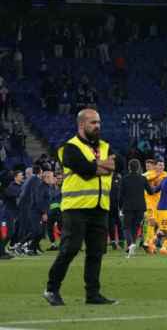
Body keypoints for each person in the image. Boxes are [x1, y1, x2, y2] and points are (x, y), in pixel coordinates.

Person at [44, 108, 117, 306]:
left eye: (99, 122)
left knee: (96, 251)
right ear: (81, 125)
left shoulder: (105, 146)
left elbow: (114, 166)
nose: (97, 126)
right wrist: (100, 166)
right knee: (70, 249)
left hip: (100, 206)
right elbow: (84, 170)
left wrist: (95, 165)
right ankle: (52, 289)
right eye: (93, 122)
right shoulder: (69, 147)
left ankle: (92, 294)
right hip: (76, 207)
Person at [120, 158, 147, 257]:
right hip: (140, 207)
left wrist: (120, 207)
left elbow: (121, 195)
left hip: (128, 207)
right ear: (139, 167)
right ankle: (131, 247)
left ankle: (130, 244)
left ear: (129, 168)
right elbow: (151, 191)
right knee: (135, 227)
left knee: (126, 227)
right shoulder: (143, 179)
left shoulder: (124, 179)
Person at [141, 159, 166, 254]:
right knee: (151, 222)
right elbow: (142, 178)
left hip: (159, 203)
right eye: (159, 165)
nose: (161, 167)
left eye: (162, 165)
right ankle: (148, 243)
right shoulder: (148, 174)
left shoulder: (164, 174)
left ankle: (149, 243)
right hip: (149, 202)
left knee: (160, 225)